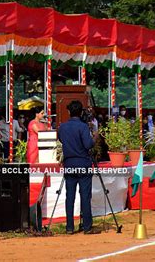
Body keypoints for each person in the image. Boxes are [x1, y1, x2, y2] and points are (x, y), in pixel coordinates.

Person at [58, 99, 100, 235]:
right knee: (85, 196)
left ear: (69, 111)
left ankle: (69, 227)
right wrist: (95, 137)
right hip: (83, 163)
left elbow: (61, 140)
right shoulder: (82, 127)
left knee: (69, 197)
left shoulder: (62, 127)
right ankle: (87, 226)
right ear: (80, 112)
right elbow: (88, 145)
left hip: (69, 164)